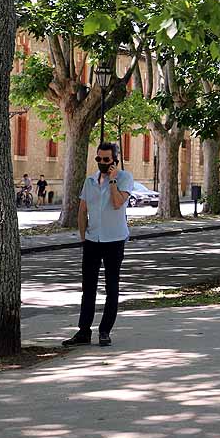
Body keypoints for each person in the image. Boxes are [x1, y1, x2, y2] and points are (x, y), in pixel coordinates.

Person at [63, 142, 134, 348]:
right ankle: (84, 331)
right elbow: (82, 210)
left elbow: (118, 203)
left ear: (114, 160)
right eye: (99, 159)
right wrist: (84, 237)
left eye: (106, 159)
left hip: (114, 240)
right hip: (93, 241)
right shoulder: (89, 181)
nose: (102, 163)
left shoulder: (124, 178)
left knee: (112, 288)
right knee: (88, 288)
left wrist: (112, 181)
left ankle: (105, 331)